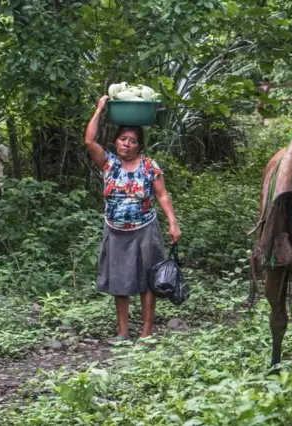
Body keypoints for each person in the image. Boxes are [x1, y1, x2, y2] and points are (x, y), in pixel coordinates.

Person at [84, 94, 181, 344]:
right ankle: (123, 332)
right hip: (115, 231)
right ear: (116, 141)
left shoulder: (149, 166)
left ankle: (147, 332)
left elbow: (162, 195)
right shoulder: (109, 163)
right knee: (120, 281)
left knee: (148, 280)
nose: (126, 144)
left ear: (139, 145)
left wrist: (172, 223)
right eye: (123, 139)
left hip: (145, 229)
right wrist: (100, 109)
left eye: (132, 141)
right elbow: (89, 140)